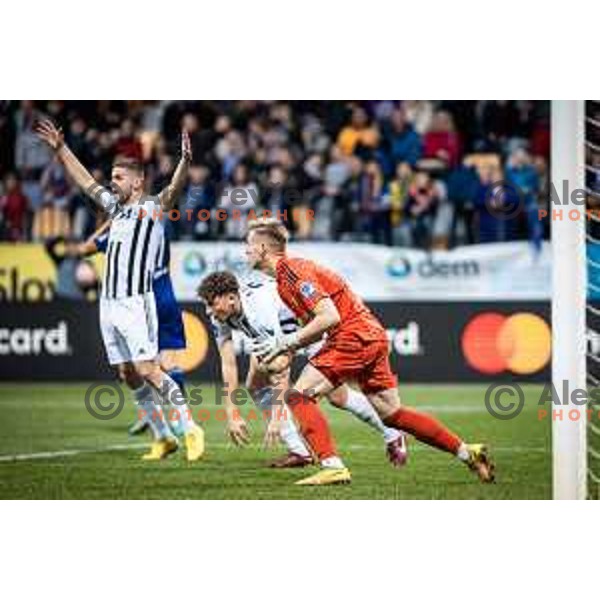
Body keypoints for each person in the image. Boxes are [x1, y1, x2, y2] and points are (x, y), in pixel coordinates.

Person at [244, 219, 495, 486]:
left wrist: (284, 344)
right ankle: (468, 452)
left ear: (262, 248)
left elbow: (329, 316)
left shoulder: (292, 271)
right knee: (392, 414)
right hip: (371, 335)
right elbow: (315, 327)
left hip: (353, 335)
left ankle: (332, 466)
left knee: (299, 396)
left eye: (248, 246)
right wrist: (288, 348)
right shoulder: (285, 281)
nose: (245, 252)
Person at [35, 119, 204, 461]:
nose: (112, 183)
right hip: (108, 304)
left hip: (135, 302)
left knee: (147, 370)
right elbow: (84, 181)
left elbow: (173, 191)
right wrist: (61, 148)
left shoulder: (151, 208)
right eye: (111, 177)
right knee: (127, 373)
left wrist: (184, 162)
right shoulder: (114, 210)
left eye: (118, 178)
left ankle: (190, 428)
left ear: (138, 182)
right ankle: (163, 437)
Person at [197, 270, 408, 469]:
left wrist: (277, 417)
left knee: (337, 397)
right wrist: (231, 413)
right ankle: (299, 451)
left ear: (231, 298)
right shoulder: (221, 315)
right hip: (288, 331)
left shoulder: (258, 310)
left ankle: (392, 431)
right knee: (256, 383)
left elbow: (281, 368)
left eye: (211, 304)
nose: (208, 311)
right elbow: (228, 363)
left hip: (313, 326)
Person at [67, 218, 188, 438]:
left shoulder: (120, 231)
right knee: (166, 363)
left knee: (135, 367)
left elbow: (83, 249)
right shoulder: (158, 224)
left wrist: (107, 223)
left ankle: (155, 415)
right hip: (164, 293)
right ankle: (177, 419)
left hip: (137, 300)